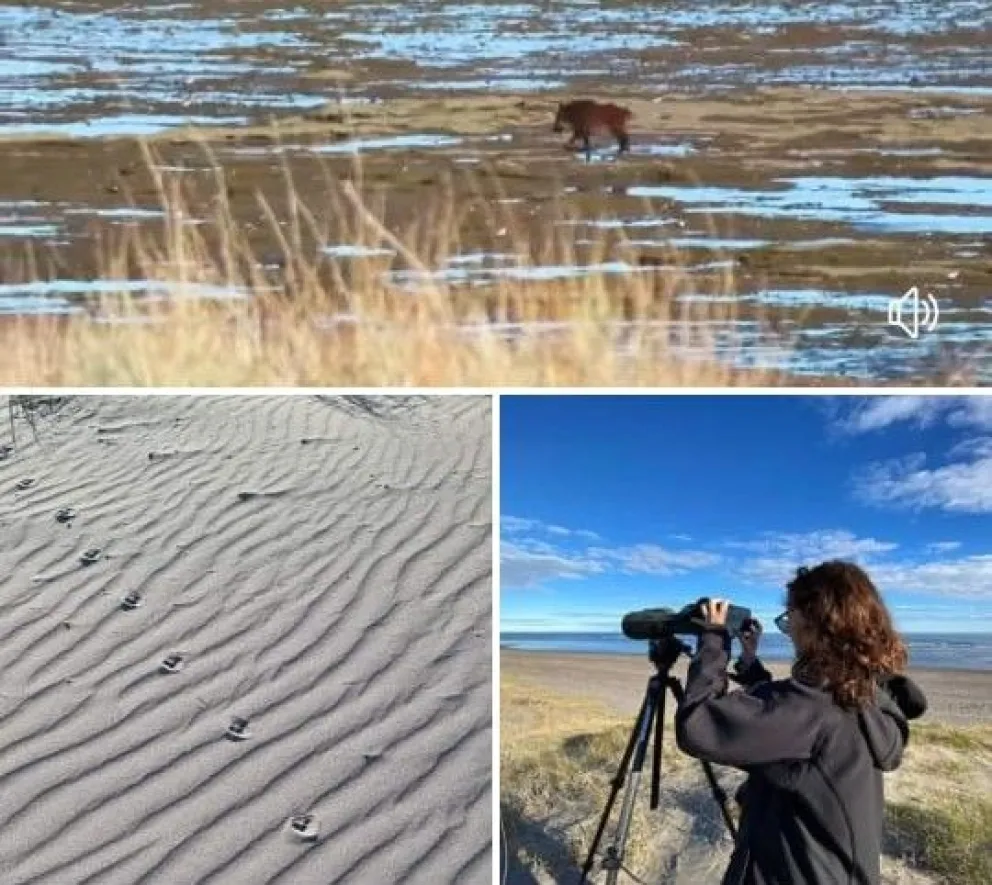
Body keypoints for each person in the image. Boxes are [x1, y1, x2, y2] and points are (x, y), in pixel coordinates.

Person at [674, 561, 927, 885]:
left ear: (815, 622)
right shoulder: (863, 694)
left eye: (789, 616)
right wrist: (750, 664)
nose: (789, 627)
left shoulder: (813, 709)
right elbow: (784, 720)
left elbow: (698, 724)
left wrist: (713, 640)